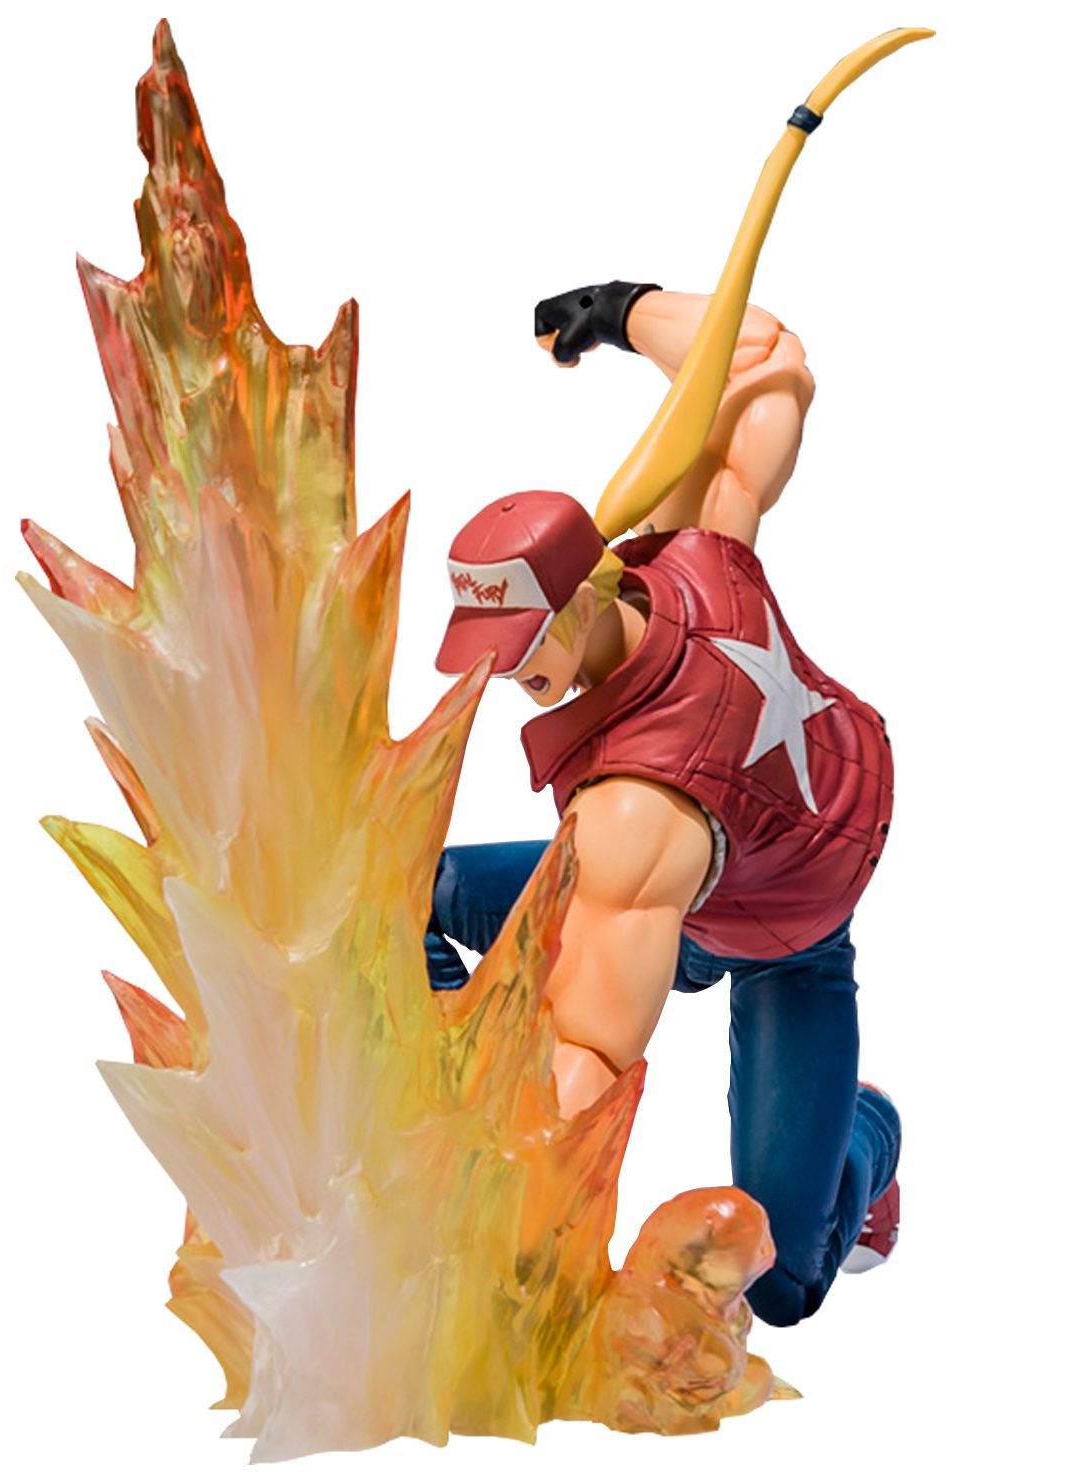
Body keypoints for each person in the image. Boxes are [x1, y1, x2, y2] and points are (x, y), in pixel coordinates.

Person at [426, 281, 901, 1327]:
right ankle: (431, 1043)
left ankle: (865, 1139)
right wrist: (624, 308)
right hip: (689, 882)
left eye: (524, 644)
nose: (507, 672)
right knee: (403, 887)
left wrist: (491, 1198)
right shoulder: (691, 553)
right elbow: (764, 362)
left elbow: (590, 1060)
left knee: (778, 1282)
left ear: (585, 597)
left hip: (791, 921)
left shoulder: (635, 813)